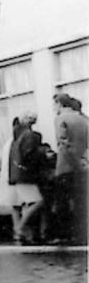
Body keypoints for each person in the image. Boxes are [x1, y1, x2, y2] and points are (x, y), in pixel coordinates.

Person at [52, 93, 88, 244]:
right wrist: (83, 161)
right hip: (84, 166)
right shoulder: (84, 120)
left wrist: (74, 162)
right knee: (81, 200)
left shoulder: (61, 119)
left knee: (63, 202)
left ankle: (64, 235)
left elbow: (63, 144)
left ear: (59, 104)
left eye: (54, 104)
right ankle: (82, 233)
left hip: (66, 166)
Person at [9, 111, 44, 244]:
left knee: (29, 203)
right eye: (32, 118)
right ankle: (20, 228)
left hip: (18, 174)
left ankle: (23, 233)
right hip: (26, 175)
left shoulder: (17, 135)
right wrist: (42, 154)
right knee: (38, 202)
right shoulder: (28, 135)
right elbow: (29, 155)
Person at [0, 117, 24, 241]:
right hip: (17, 178)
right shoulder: (16, 142)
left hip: (11, 178)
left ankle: (17, 230)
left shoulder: (9, 143)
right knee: (21, 205)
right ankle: (20, 231)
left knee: (16, 206)